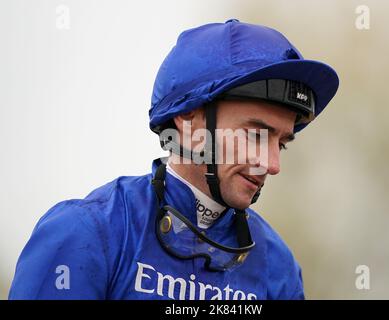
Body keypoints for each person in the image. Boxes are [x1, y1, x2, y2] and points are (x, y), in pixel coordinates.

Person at [9, 19, 339, 300]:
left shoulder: (278, 267)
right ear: (190, 120)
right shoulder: (86, 233)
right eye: (255, 135)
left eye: (280, 144)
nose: (271, 165)